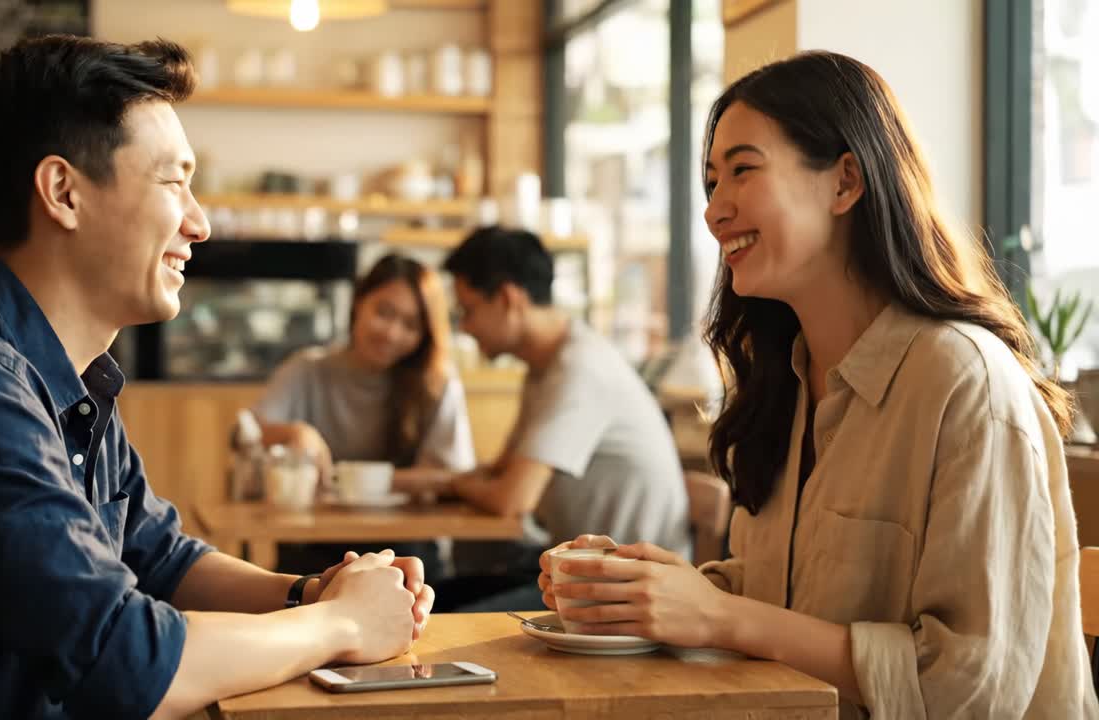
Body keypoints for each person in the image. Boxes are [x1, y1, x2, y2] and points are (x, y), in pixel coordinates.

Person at [0, 36, 433, 720]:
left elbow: (158, 558)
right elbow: (125, 665)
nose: (199, 224)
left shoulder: (66, 372)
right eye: (175, 182)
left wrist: (312, 592)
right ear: (63, 193)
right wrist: (342, 625)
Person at [537, 51, 1099, 719]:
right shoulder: (789, 378)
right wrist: (643, 589)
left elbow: (972, 687)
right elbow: (779, 601)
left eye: (742, 170)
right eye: (711, 181)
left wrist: (718, 617)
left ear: (845, 182)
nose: (714, 211)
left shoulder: (964, 381)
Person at [432, 226, 692, 611]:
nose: (465, 327)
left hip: (628, 588)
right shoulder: (544, 366)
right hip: (577, 572)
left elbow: (511, 499)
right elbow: (502, 471)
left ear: (507, 298)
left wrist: (456, 482)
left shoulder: (578, 370)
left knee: (440, 620)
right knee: (433, 600)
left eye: (467, 311)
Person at [248, 252, 477, 575]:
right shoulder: (306, 369)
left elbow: (452, 477)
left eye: (410, 324)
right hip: (313, 547)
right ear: (358, 303)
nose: (392, 333)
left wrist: (360, 482)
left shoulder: (438, 384)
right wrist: (295, 433)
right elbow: (245, 433)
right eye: (384, 312)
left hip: (407, 555)